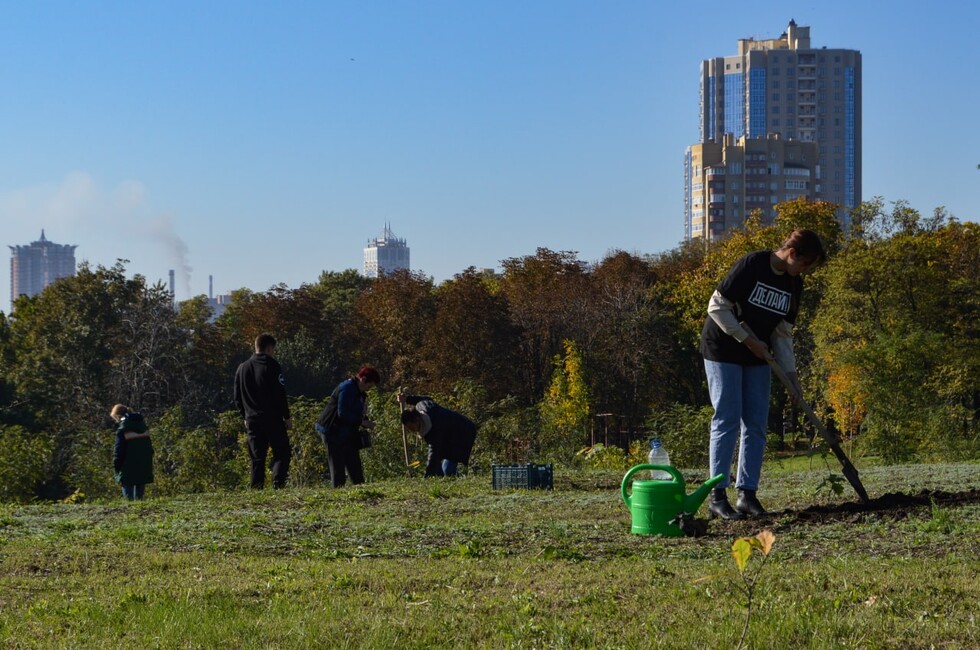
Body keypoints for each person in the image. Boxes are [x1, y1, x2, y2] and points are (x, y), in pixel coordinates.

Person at [700, 229, 826, 519]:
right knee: (727, 417)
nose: (805, 270)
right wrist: (749, 341)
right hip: (723, 348)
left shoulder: (794, 284)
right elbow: (717, 307)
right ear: (792, 253)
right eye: (805, 263)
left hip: (758, 354)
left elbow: (782, 333)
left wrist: (792, 375)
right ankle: (717, 496)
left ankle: (747, 494)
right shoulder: (753, 264)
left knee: (756, 423)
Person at [234, 333, 292, 489]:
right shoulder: (272, 365)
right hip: (272, 418)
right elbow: (280, 394)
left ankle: (256, 488)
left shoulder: (242, 368)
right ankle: (278, 484)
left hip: (252, 419)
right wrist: (286, 417)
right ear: (269, 348)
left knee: (257, 458)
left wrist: (245, 415)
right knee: (282, 453)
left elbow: (237, 398)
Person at [321, 366, 381, 487]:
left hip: (347, 432)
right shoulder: (347, 388)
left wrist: (366, 421)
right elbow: (342, 413)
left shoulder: (360, 392)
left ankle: (360, 489)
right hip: (332, 430)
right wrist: (362, 422)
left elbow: (357, 413)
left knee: (354, 465)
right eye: (369, 386)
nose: (369, 389)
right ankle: (338, 493)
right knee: (338, 468)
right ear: (363, 379)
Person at [398, 393, 477, 477]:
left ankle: (465, 479)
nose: (411, 430)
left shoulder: (434, 428)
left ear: (417, 420)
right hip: (449, 436)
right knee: (440, 466)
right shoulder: (422, 407)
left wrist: (427, 476)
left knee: (448, 470)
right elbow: (427, 399)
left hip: (463, 432)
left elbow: (433, 453)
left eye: (411, 427)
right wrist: (407, 398)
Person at [110, 404, 154, 500]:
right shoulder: (143, 427)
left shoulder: (122, 430)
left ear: (118, 416)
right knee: (140, 497)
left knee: (129, 498)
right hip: (144, 464)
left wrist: (116, 465)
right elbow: (149, 447)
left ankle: (130, 507)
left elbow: (119, 451)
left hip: (127, 466)